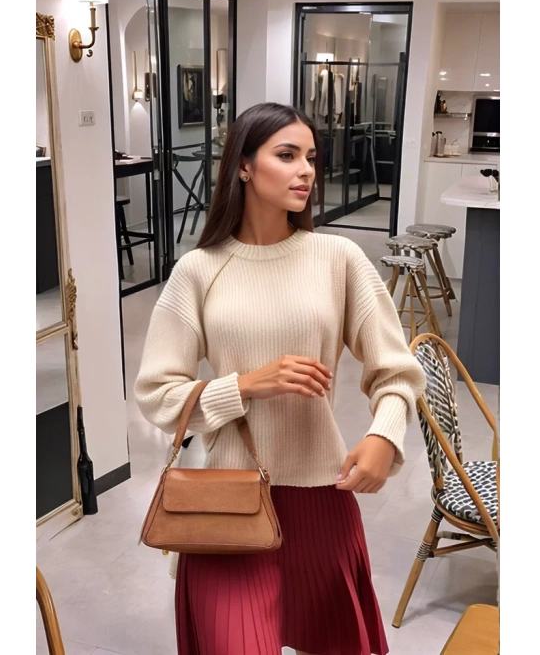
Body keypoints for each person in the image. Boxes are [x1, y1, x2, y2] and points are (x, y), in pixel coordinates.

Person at [135, 102, 426, 655]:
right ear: (244, 166)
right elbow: (158, 395)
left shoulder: (337, 258)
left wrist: (385, 435)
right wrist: (245, 386)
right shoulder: (199, 269)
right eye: (287, 155)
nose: (306, 171)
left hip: (321, 495)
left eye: (311, 157)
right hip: (226, 500)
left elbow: (396, 370)